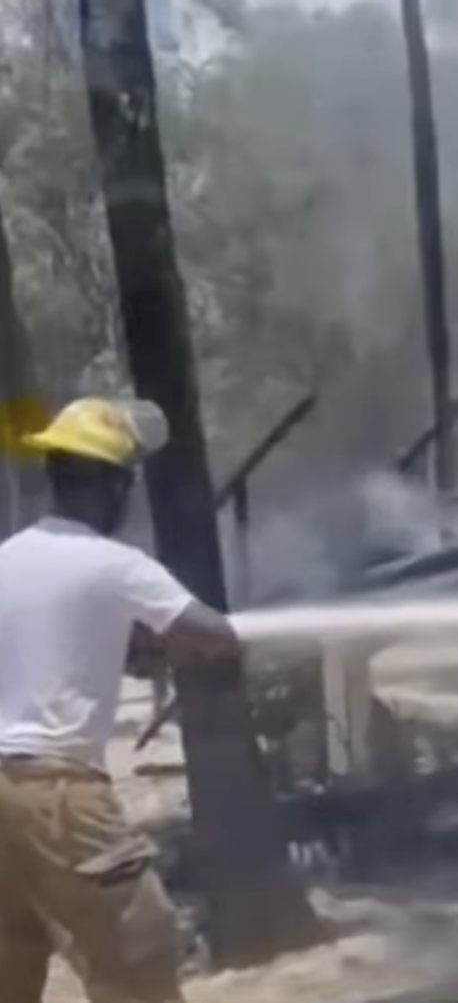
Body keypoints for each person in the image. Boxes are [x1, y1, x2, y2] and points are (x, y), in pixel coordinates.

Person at [0, 397, 241, 1003]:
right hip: (60, 796)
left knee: (12, 960)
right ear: (112, 485)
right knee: (138, 955)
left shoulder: (6, 559)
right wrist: (167, 650)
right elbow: (216, 640)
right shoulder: (116, 565)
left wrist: (123, 648)